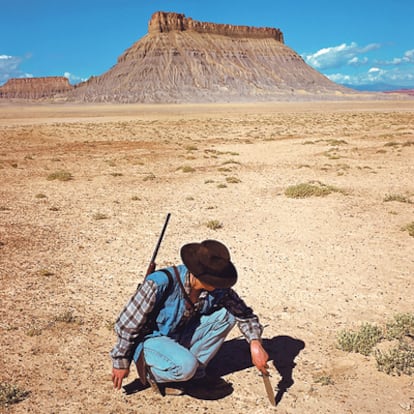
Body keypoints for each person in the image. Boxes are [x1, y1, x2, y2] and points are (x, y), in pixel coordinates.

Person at [111, 239, 269, 395]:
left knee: (228, 315)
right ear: (198, 274)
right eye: (215, 279)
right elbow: (126, 325)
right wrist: (121, 362)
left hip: (179, 336)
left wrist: (255, 343)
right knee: (186, 366)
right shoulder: (159, 283)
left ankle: (194, 376)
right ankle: (156, 375)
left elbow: (244, 314)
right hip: (151, 341)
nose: (219, 284)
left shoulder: (218, 289)